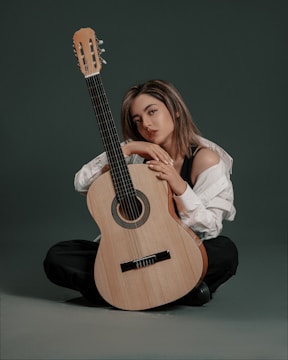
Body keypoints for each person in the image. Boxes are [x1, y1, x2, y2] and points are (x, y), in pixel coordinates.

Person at [44, 79, 238, 307]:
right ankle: (178, 292)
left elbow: (211, 227)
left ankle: (121, 291)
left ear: (175, 110)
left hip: (176, 254)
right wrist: (127, 148)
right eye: (137, 121)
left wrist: (180, 187)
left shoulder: (205, 159)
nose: (146, 124)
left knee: (225, 251)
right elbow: (82, 183)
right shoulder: (135, 155)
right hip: (128, 250)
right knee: (58, 256)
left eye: (152, 112)